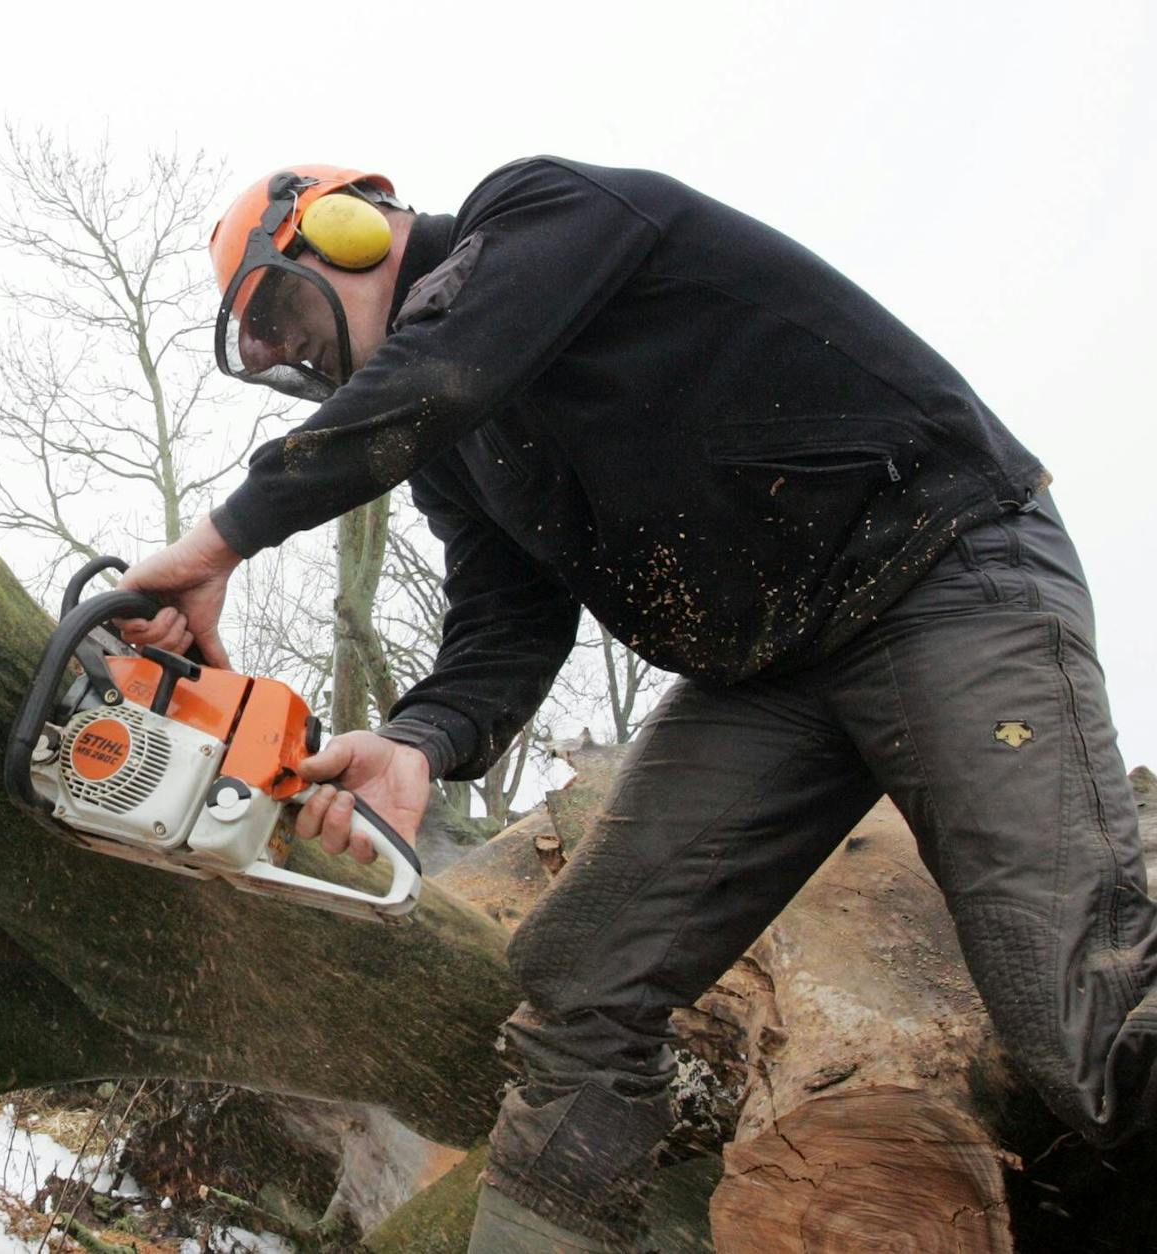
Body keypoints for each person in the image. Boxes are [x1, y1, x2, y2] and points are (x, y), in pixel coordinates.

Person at [115, 159, 1157, 1250]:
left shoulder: (541, 216)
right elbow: (506, 625)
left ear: (350, 228)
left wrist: (222, 535)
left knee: (1073, 1016)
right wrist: (419, 739)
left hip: (937, 569)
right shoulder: (452, 451)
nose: (291, 352)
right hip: (766, 678)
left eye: (280, 308)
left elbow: (448, 372)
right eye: (265, 348)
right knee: (582, 980)